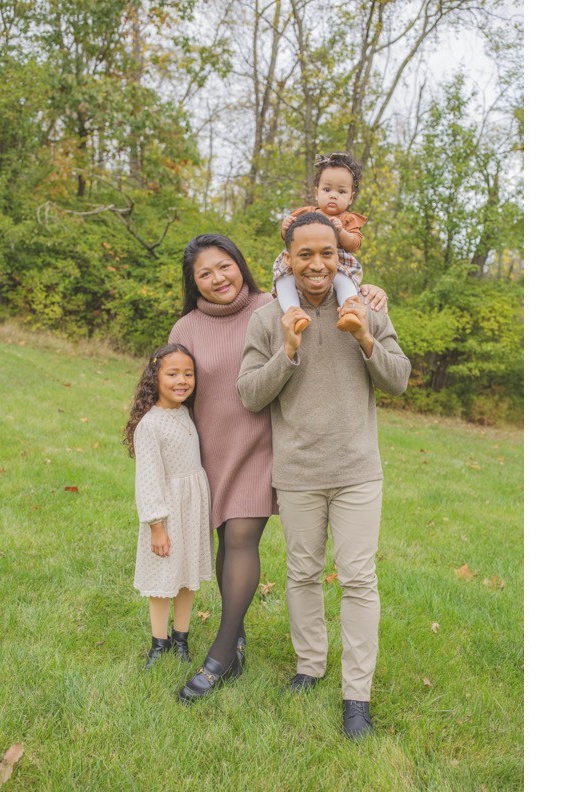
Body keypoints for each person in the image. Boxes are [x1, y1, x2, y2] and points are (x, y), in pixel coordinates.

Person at [168, 234, 389, 703]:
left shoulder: (274, 304)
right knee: (228, 541)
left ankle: (222, 653)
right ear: (193, 284)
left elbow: (323, 267)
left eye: (224, 266)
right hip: (215, 449)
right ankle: (240, 639)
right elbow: (176, 386)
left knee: (244, 537)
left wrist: (368, 293)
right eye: (204, 274)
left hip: (266, 445)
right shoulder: (185, 328)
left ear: (242, 265)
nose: (217, 278)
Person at [237, 212, 411, 740]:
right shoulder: (269, 319)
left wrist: (364, 339)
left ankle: (356, 695)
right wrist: (287, 350)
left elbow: (399, 380)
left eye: (327, 254)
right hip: (299, 472)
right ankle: (310, 667)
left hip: (357, 469)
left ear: (341, 257)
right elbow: (248, 394)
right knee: (302, 574)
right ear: (287, 258)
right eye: (305, 254)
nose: (316, 264)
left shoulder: (366, 308)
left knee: (358, 579)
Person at [123, 344, 213, 670]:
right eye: (172, 373)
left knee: (187, 575)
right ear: (155, 377)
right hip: (168, 511)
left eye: (188, 374)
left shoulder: (186, 412)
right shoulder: (150, 425)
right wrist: (156, 526)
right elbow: (148, 479)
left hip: (192, 509)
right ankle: (158, 643)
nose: (182, 380)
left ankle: (181, 638)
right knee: (163, 578)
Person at [273, 152, 369, 334]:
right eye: (327, 190)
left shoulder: (348, 219)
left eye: (341, 192)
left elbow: (354, 244)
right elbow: (290, 238)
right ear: (317, 193)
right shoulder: (306, 213)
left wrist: (341, 232)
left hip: (336, 261)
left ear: (350, 198)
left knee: (344, 281)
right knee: (284, 278)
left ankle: (350, 312)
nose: (333, 196)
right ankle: (294, 314)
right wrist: (285, 229)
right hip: (302, 257)